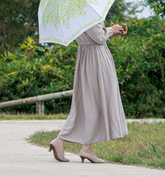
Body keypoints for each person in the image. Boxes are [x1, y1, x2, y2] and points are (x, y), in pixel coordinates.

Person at [49, 22, 129, 163]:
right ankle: (63, 140)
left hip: (86, 56)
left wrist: (109, 34)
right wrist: (112, 29)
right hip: (97, 58)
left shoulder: (73, 13)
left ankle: (85, 147)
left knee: (90, 102)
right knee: (98, 101)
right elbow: (99, 37)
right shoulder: (88, 11)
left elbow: (95, 36)